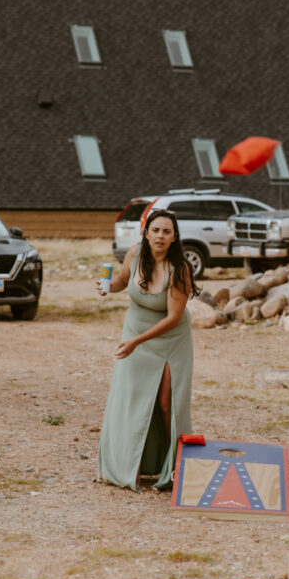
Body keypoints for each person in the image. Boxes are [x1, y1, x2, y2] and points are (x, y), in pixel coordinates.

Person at [96, 209, 197, 492]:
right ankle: (130, 462)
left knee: (167, 403)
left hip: (169, 338)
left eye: (166, 231)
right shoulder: (134, 255)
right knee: (134, 397)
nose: (160, 236)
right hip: (135, 332)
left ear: (175, 237)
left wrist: (136, 342)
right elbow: (121, 281)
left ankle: (177, 465)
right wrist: (108, 287)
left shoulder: (180, 269)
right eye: (156, 230)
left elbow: (173, 318)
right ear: (146, 233)